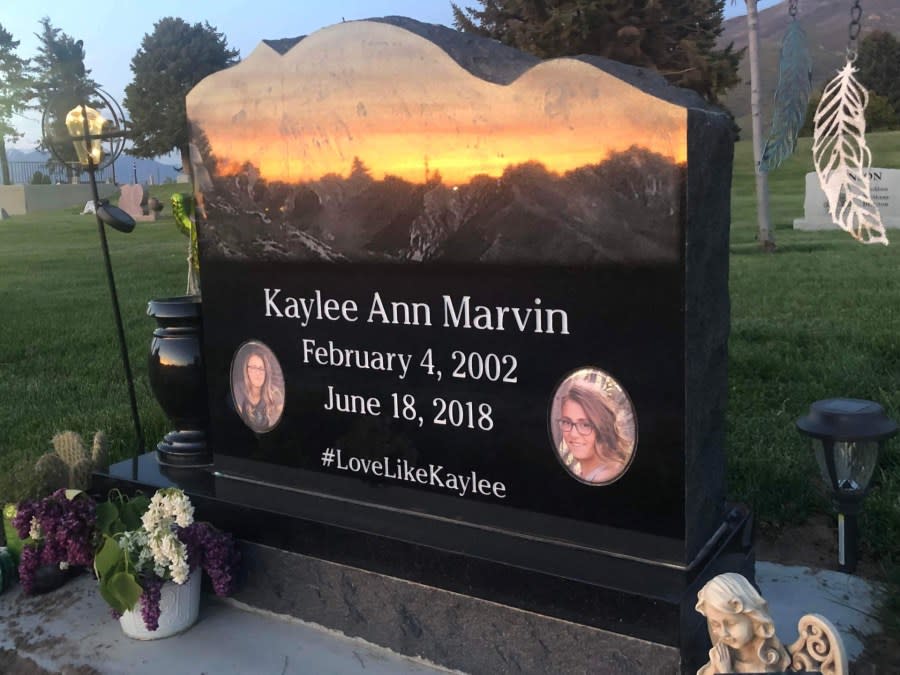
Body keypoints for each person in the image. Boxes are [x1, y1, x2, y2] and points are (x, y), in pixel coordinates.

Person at [695, 573, 791, 674]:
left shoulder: (771, 659)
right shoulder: (720, 660)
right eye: (715, 624)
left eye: (731, 623)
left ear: (753, 618)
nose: (723, 633)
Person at [556, 380, 633, 483]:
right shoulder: (585, 474)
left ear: (601, 427)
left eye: (585, 425)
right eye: (567, 422)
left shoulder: (604, 477)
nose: (573, 434)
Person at [234, 344, 284, 432]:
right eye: (253, 368)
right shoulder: (239, 389)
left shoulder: (273, 393)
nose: (258, 373)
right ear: (247, 371)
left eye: (261, 369)